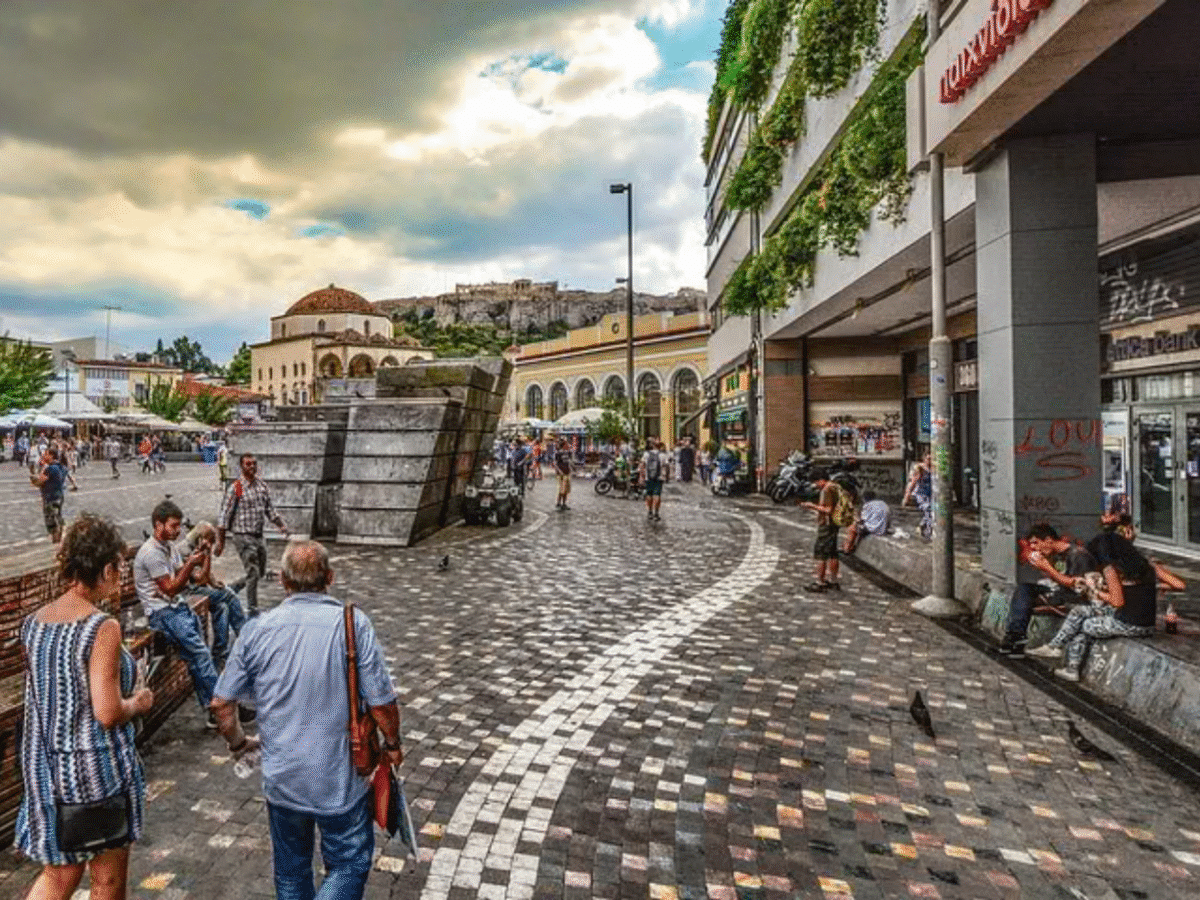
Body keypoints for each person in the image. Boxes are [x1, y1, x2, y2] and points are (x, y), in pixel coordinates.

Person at [211, 541, 403, 900]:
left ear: (283, 580)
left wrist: (239, 743)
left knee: (291, 871)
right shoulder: (353, 625)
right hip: (339, 780)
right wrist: (392, 744)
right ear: (330, 577)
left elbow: (221, 703)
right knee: (349, 864)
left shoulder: (257, 629)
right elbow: (382, 703)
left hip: (283, 780)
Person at [16, 514, 154, 898]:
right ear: (107, 569)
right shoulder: (101, 627)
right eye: (119, 568)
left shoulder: (34, 623)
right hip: (95, 772)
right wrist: (138, 702)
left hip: (47, 769)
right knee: (107, 881)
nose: (120, 576)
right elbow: (107, 712)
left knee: (59, 874)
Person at [136, 499, 249, 729]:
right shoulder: (151, 553)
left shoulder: (169, 548)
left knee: (199, 659)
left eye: (179, 526)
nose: (178, 531)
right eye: (173, 526)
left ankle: (214, 711)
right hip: (163, 613)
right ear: (158, 524)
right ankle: (225, 708)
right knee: (201, 656)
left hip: (177, 608)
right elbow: (171, 588)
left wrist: (204, 555)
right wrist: (190, 564)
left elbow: (198, 579)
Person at [1029, 531, 1185, 680]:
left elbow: (1117, 601)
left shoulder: (1111, 570)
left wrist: (1094, 590)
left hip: (1127, 623)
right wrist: (1151, 587)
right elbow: (1179, 585)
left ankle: (1071, 669)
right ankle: (1055, 647)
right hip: (1147, 622)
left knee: (1085, 625)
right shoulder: (1146, 565)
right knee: (1080, 611)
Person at [996, 523, 1097, 658]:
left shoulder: (1078, 555)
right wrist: (1044, 567)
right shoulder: (1054, 554)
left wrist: (1047, 568)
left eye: (1036, 543)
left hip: (1075, 598)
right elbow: (1057, 578)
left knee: (1026, 598)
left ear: (1048, 540)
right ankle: (1016, 636)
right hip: (1060, 591)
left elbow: (1077, 585)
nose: (1034, 547)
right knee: (1024, 590)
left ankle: (1016, 637)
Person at [215, 453, 290, 617]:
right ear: (241, 467)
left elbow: (270, 510)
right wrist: (220, 542)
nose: (252, 467)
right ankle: (252, 609)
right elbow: (224, 516)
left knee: (260, 573)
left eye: (254, 463)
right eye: (248, 464)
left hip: (258, 535)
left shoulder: (261, 486)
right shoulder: (237, 487)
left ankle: (232, 589)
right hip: (242, 535)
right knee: (253, 572)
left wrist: (281, 526)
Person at [182, 522, 247, 670]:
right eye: (210, 540)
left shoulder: (196, 547)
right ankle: (245, 637)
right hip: (188, 592)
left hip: (197, 588)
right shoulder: (185, 550)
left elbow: (206, 575)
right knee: (229, 596)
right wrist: (207, 555)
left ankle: (220, 654)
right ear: (201, 538)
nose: (211, 545)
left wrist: (214, 582)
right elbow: (200, 578)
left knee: (222, 607)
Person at [799, 469, 845, 592]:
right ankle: (833, 581)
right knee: (833, 552)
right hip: (835, 523)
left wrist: (812, 506)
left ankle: (820, 582)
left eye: (815, 482)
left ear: (820, 480)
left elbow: (828, 510)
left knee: (821, 553)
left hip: (827, 524)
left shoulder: (826, 489)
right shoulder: (836, 486)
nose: (816, 486)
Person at [843, 489, 891, 554]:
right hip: (883, 530)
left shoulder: (867, 505)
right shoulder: (883, 503)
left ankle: (847, 549)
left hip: (873, 529)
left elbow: (861, 520)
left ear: (864, 498)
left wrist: (855, 517)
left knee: (853, 527)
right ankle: (849, 547)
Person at [901, 452, 933, 539]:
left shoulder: (933, 469)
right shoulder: (920, 468)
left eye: (931, 459)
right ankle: (928, 533)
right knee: (928, 509)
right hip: (920, 494)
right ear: (924, 459)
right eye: (928, 459)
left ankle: (923, 525)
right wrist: (907, 496)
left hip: (930, 495)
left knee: (931, 512)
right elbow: (912, 482)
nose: (930, 461)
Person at [641, 440, 666, 521]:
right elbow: (665, 466)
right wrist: (666, 476)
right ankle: (656, 513)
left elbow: (642, 465)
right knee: (657, 495)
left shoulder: (646, 454)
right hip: (659, 478)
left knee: (649, 494)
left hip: (648, 478)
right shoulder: (662, 455)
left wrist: (642, 476)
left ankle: (650, 512)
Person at [553, 437, 572, 511]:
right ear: (563, 445)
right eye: (566, 444)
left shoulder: (567, 452)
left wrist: (570, 469)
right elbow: (555, 463)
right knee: (561, 489)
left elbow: (569, 462)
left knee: (566, 490)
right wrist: (559, 471)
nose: (568, 445)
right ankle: (558, 503)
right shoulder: (558, 453)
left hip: (567, 472)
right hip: (561, 474)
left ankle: (564, 503)